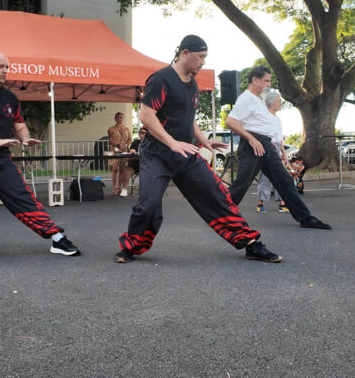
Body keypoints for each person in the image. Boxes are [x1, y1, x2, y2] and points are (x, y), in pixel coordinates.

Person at [114, 35, 281, 264]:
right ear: (185, 53)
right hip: (157, 154)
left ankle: (250, 244)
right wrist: (172, 142)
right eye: (200, 57)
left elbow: (188, 118)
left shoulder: (192, 83)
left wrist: (203, 140)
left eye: (205, 57)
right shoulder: (161, 79)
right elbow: (146, 114)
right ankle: (130, 247)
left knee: (217, 195)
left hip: (186, 152)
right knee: (148, 204)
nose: (203, 62)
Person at [0, 51, 81, 257]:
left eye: (7, 67)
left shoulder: (10, 98)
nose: (5, 71)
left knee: (24, 198)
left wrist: (25, 138)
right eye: (1, 66)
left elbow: (20, 126)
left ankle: (57, 238)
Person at [225, 66, 330, 229]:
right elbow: (230, 121)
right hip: (253, 145)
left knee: (285, 180)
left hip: (267, 145)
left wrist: (279, 149)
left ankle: (305, 218)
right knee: (241, 184)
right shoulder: (246, 98)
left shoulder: (258, 100)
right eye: (266, 80)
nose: (269, 84)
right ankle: (221, 214)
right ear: (255, 80)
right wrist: (251, 139)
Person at [254, 90, 289, 214]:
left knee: (281, 175)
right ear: (272, 102)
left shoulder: (277, 119)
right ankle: (260, 203)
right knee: (266, 176)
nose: (281, 103)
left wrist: (283, 152)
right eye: (279, 101)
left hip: (277, 148)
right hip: (268, 147)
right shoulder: (264, 117)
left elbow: (279, 137)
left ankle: (282, 202)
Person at [107, 111, 133, 197]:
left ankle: (119, 187)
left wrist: (125, 145)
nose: (120, 119)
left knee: (122, 169)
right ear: (115, 119)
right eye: (118, 117)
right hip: (115, 151)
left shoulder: (126, 129)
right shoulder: (111, 129)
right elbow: (110, 139)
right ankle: (114, 188)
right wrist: (118, 144)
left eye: (121, 117)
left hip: (124, 151)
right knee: (114, 169)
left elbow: (130, 139)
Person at [125, 127, 146, 192]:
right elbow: (132, 151)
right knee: (126, 170)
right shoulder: (136, 142)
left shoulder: (151, 143)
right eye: (142, 133)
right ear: (139, 134)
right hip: (135, 164)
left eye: (146, 133)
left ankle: (147, 190)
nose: (144, 135)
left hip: (147, 165)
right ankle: (124, 189)